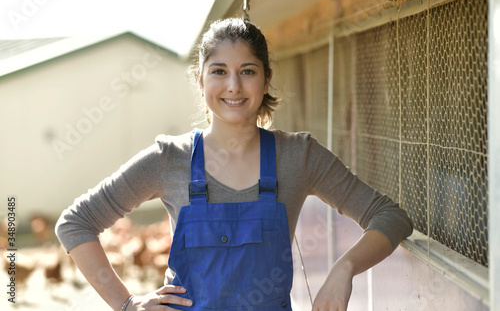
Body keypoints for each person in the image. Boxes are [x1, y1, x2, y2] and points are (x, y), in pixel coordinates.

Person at [55, 18, 413, 311]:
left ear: (266, 78)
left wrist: (344, 269)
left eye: (247, 71)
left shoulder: (298, 156)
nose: (233, 86)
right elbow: (75, 224)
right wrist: (128, 305)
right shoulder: (169, 160)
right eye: (219, 71)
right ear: (200, 80)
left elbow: (391, 217)